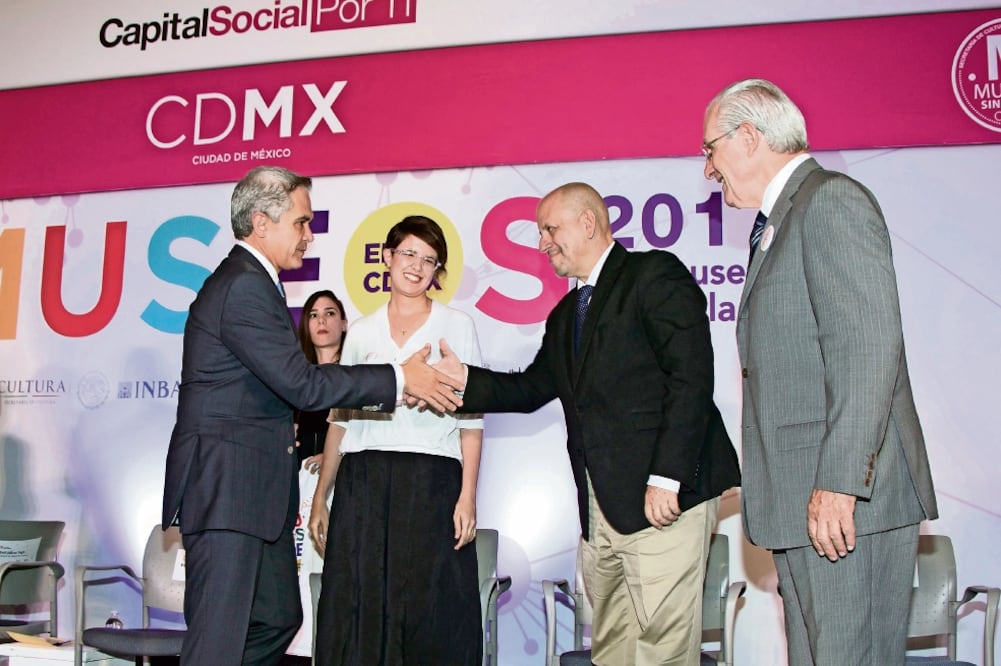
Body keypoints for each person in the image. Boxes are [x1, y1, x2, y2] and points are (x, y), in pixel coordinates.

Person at [161, 166, 463, 666]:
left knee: (278, 616)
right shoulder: (242, 286)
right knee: (216, 642)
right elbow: (300, 382)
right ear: (261, 222)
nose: (309, 234)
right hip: (228, 490)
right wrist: (399, 378)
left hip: (257, 494)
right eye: (301, 222)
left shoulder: (258, 283)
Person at [438, 182, 741, 666]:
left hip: (663, 501)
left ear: (588, 223)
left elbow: (691, 376)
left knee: (661, 651)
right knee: (612, 652)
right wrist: (465, 381)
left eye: (549, 228)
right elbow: (532, 389)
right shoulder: (564, 315)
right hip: (601, 516)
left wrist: (668, 477)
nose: (541, 243)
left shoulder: (651, 274)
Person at [701, 78, 937, 665]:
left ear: (749, 137)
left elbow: (867, 351)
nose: (708, 169)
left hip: (844, 501)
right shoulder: (783, 218)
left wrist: (839, 484)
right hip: (804, 502)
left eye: (710, 149)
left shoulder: (830, 200)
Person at [308, 215, 484, 665]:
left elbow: (472, 421)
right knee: (359, 611)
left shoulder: (456, 326)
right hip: (364, 483)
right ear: (387, 257)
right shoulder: (362, 332)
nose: (417, 266)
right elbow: (341, 420)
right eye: (408, 253)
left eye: (429, 260)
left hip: (432, 482)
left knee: (430, 610)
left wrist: (467, 496)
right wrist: (320, 498)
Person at [296, 289, 348, 472]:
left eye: (330, 313)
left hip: (344, 475)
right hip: (298, 477)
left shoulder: (356, 377)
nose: (321, 320)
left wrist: (333, 457)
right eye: (313, 315)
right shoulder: (293, 378)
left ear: (344, 324)